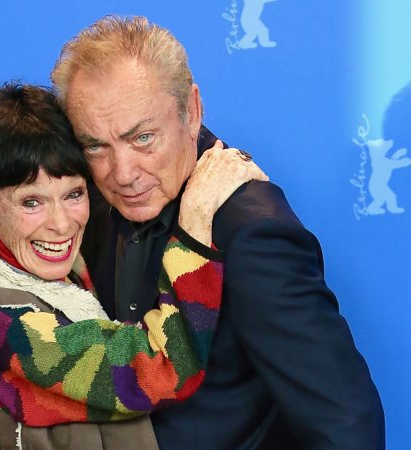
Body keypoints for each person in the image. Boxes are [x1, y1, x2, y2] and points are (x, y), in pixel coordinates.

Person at [50, 15, 386, 449]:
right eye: (96, 145)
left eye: (143, 138)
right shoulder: (82, 201)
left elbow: (347, 425)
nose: (123, 173)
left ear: (192, 111)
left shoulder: (252, 236)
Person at [0, 81, 266, 449]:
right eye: (31, 203)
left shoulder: (25, 255)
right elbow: (158, 371)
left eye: (73, 194)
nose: (61, 224)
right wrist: (195, 224)